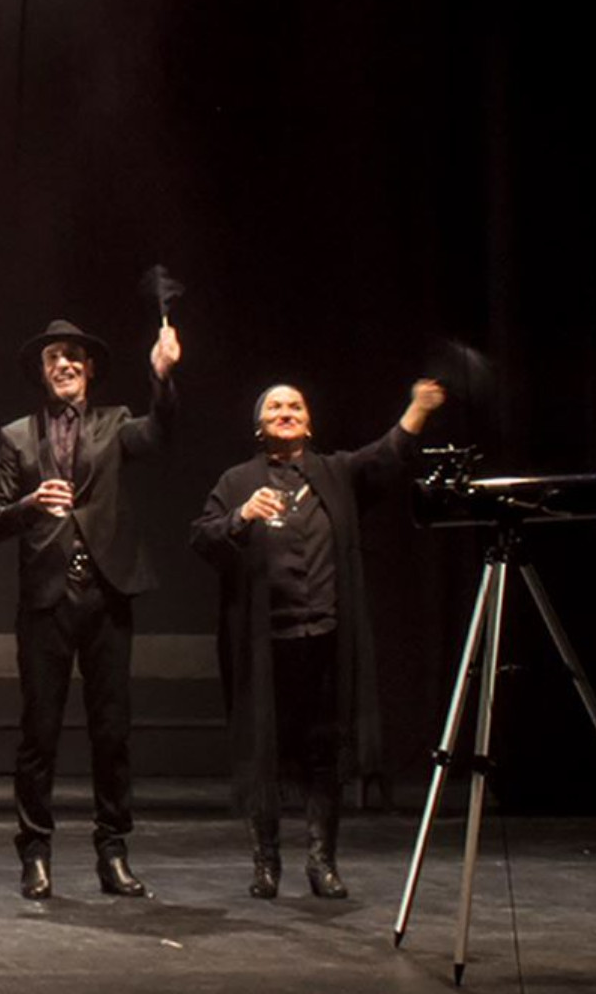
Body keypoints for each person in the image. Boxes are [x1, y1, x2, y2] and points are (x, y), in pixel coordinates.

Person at [190, 378, 444, 899]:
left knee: (323, 751)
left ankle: (321, 861)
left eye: (295, 405)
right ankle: (266, 864)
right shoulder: (238, 480)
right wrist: (241, 517)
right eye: (275, 407)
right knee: (265, 750)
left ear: (309, 421)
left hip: (325, 638)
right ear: (258, 426)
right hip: (266, 645)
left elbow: (389, 455)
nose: (286, 412)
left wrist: (416, 407)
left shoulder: (335, 473)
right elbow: (201, 536)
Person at [0, 317, 181, 899]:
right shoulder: (17, 435)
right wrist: (28, 502)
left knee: (111, 732)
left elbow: (160, 433)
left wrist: (163, 378)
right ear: (42, 373)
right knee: (38, 733)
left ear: (89, 367)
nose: (64, 365)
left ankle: (112, 851)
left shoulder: (115, 423)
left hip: (106, 594)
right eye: (53, 359)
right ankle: (35, 854)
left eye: (73, 356)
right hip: (46, 598)